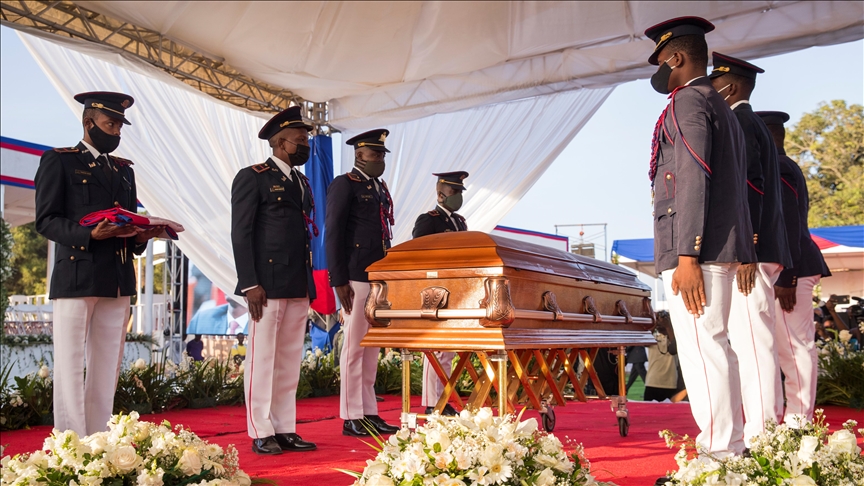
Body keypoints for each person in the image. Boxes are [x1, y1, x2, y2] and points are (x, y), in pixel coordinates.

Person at [645, 17, 755, 461]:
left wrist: (687, 253)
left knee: (703, 350)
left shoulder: (687, 102)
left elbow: (692, 178)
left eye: (658, 61)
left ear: (676, 57)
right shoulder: (718, 105)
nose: (655, 71)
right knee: (717, 347)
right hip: (715, 248)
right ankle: (731, 447)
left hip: (697, 250)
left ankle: (718, 456)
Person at [34, 91, 163, 436]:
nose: (117, 132)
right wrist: (90, 235)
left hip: (118, 276)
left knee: (107, 367)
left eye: (120, 126)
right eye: (111, 124)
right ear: (89, 122)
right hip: (77, 274)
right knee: (71, 366)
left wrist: (140, 235)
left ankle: (99, 441)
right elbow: (46, 220)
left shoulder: (123, 171)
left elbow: (127, 218)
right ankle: (71, 446)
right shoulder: (59, 161)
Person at [708, 53, 792, 446]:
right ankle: (761, 431)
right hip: (759, 247)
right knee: (754, 342)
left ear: (733, 86)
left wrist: (748, 247)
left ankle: (763, 438)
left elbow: (751, 186)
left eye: (717, 82)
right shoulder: (750, 121)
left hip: (752, 251)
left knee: (753, 345)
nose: (713, 89)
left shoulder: (740, 121)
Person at [231, 106, 317, 455]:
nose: (305, 145)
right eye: (300, 140)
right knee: (263, 358)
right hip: (265, 282)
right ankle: (260, 429)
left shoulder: (301, 181)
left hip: (297, 280)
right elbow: (242, 232)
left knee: (288, 359)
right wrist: (249, 282)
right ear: (280, 142)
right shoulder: (253, 176)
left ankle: (284, 427)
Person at [759, 108, 832, 425]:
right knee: (785, 347)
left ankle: (799, 421)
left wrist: (786, 275)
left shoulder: (779, 167)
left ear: (767, 135)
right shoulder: (779, 166)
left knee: (794, 347)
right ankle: (788, 419)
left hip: (793, 268)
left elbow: (788, 223)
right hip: (791, 266)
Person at [325, 129, 400, 437]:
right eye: (375, 154)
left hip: (378, 275)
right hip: (355, 277)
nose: (380, 160)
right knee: (355, 347)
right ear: (359, 154)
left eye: (382, 155)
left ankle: (369, 411)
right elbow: (333, 233)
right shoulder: (345, 184)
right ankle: (351, 415)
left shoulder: (378, 186)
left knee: (372, 349)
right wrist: (338, 279)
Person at [412, 171, 470, 416]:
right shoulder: (429, 220)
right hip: (434, 290)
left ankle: (442, 400)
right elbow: (418, 254)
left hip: (455, 287)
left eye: (459, 192)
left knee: (447, 349)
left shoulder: (460, 222)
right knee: (435, 348)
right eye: (453, 192)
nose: (457, 196)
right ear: (440, 194)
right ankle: (431, 402)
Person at [644, 311, 680, 402]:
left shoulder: (677, 338)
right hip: (652, 382)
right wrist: (653, 322)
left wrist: (668, 326)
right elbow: (644, 340)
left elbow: (675, 348)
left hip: (670, 383)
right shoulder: (653, 337)